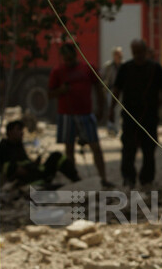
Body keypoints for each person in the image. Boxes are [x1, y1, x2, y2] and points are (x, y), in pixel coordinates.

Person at [47, 42, 113, 188]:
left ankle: (103, 178)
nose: (68, 61)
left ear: (74, 55)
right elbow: (50, 94)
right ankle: (74, 179)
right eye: (65, 59)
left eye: (70, 58)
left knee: (95, 146)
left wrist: (101, 108)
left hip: (85, 114)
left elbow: (98, 88)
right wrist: (61, 90)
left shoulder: (87, 68)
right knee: (69, 149)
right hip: (66, 115)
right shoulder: (57, 71)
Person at [109, 39, 162, 191]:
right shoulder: (125, 68)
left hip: (149, 116)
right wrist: (111, 109)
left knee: (149, 148)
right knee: (128, 148)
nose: (138, 55)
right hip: (130, 116)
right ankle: (128, 178)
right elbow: (117, 89)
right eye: (135, 52)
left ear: (145, 51)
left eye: (140, 52)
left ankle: (146, 179)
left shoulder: (155, 69)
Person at [0, 119, 78, 187]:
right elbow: (9, 168)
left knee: (56, 156)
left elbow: (25, 161)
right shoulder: (4, 147)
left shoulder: (18, 145)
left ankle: (76, 178)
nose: (21, 133)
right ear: (9, 132)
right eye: (18, 129)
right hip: (28, 179)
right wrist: (28, 170)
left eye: (21, 130)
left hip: (36, 171)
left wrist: (35, 164)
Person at [102, 47, 123, 134]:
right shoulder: (108, 66)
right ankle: (110, 127)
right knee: (111, 108)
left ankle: (117, 128)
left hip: (121, 91)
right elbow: (104, 77)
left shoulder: (123, 65)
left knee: (118, 109)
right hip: (111, 90)